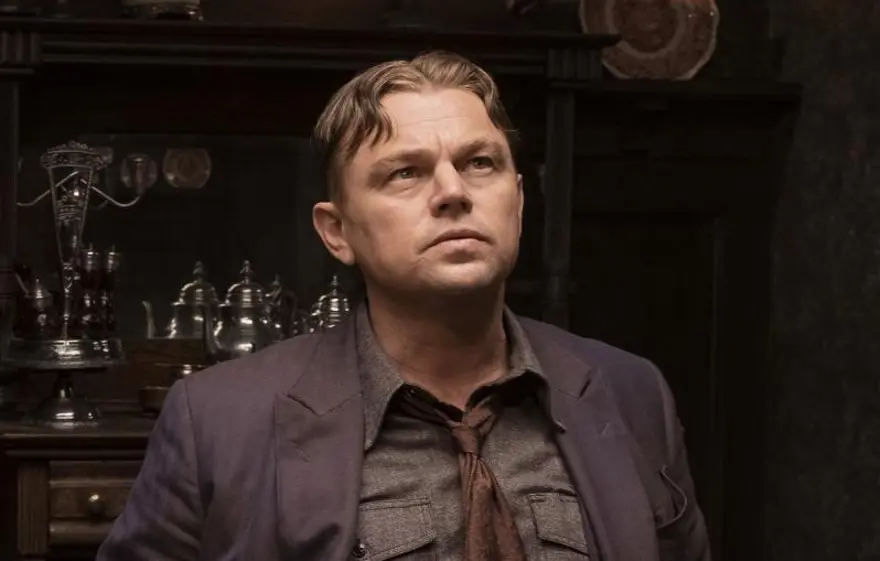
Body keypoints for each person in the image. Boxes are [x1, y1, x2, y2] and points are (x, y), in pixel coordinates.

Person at [97, 51, 710, 561]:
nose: (453, 192)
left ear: (518, 202)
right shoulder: (217, 421)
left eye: (480, 163)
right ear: (337, 232)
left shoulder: (631, 393)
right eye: (405, 173)